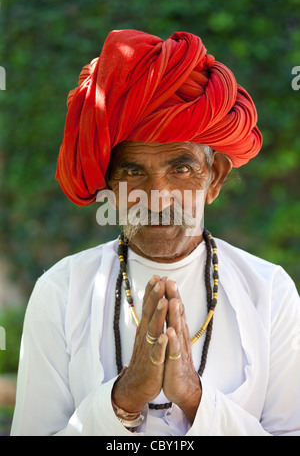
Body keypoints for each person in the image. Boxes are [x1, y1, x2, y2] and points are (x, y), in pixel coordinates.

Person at [11, 30, 300, 436]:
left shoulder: (270, 292)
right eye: (133, 171)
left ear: (213, 179)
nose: (158, 197)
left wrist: (194, 397)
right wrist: (123, 399)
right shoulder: (61, 291)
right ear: (109, 183)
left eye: (181, 168)